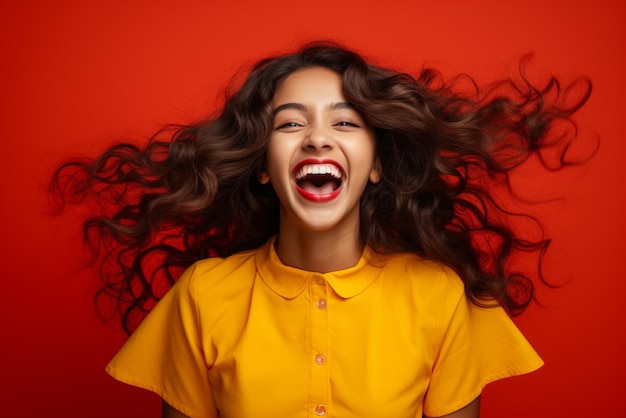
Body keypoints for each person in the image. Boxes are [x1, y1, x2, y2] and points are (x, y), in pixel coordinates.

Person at [50, 42, 591, 417]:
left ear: (375, 164)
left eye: (345, 122)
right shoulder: (203, 296)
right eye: (290, 123)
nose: (316, 139)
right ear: (263, 164)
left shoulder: (440, 296)